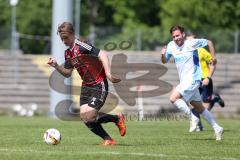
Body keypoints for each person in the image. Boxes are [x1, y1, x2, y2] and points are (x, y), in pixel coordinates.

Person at [47, 22, 126, 146]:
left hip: (99, 84)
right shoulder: (68, 53)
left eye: (66, 38)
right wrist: (56, 66)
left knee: (90, 115)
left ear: (72, 34)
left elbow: (102, 54)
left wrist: (109, 74)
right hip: (86, 87)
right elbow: (67, 73)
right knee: (85, 117)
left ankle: (116, 120)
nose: (64, 41)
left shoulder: (82, 46)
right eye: (62, 39)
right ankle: (109, 137)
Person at [160, 25, 223, 140]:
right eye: (174, 36)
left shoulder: (192, 43)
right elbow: (164, 61)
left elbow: (209, 42)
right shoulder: (170, 45)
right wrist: (162, 53)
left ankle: (192, 117)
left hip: (193, 79)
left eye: (178, 35)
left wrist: (213, 57)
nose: (176, 38)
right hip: (185, 81)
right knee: (200, 108)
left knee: (173, 98)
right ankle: (217, 127)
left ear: (183, 34)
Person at [187, 34, 225, 131]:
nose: (190, 43)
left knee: (205, 108)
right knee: (192, 104)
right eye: (188, 41)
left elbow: (213, 63)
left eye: (192, 40)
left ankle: (214, 99)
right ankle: (199, 126)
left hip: (205, 80)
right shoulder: (186, 52)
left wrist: (208, 77)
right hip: (194, 81)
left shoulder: (202, 51)